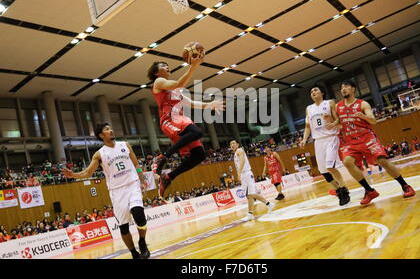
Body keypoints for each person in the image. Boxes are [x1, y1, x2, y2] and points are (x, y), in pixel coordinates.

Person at [63, 123, 151, 259]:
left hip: (132, 184)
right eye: (107, 129)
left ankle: (142, 242)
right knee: (124, 227)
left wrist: (141, 178)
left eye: (110, 128)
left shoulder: (125, 145)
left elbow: (136, 164)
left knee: (139, 214)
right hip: (117, 191)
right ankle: (134, 252)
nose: (110, 130)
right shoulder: (100, 154)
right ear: (101, 135)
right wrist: (73, 175)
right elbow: (87, 172)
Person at [147, 54, 224, 196]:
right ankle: (162, 157)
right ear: (156, 72)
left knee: (200, 155)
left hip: (181, 119)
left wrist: (210, 105)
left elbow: (192, 103)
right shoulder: (159, 82)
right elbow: (178, 83)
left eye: (167, 65)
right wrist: (193, 66)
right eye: (163, 66)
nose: (167, 67)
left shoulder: (176, 91)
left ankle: (169, 177)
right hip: (169, 121)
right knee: (197, 132)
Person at [335, 80, 415, 205]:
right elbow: (338, 122)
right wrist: (332, 123)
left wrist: (363, 117)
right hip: (351, 141)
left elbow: (373, 121)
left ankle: (405, 186)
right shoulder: (338, 106)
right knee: (347, 162)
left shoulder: (363, 104)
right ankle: (369, 190)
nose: (343, 89)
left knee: (382, 161)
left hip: (366, 137)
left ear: (353, 89)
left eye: (346, 87)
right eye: (341, 88)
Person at [300, 84, 350, 206]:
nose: (313, 92)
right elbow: (307, 127)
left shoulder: (329, 103)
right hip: (318, 141)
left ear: (322, 93)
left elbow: (338, 119)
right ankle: (338, 189)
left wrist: (333, 123)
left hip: (331, 138)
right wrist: (304, 139)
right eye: (311, 91)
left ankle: (344, 191)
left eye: (315, 90)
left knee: (330, 167)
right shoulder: (309, 108)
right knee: (324, 172)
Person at [230, 140, 274, 221]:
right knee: (248, 195)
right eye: (231, 144)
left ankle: (268, 204)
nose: (232, 145)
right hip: (244, 175)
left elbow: (242, 160)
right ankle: (250, 213)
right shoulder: (235, 154)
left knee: (251, 194)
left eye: (233, 143)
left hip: (246, 173)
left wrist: (239, 172)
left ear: (237, 144)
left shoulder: (239, 151)